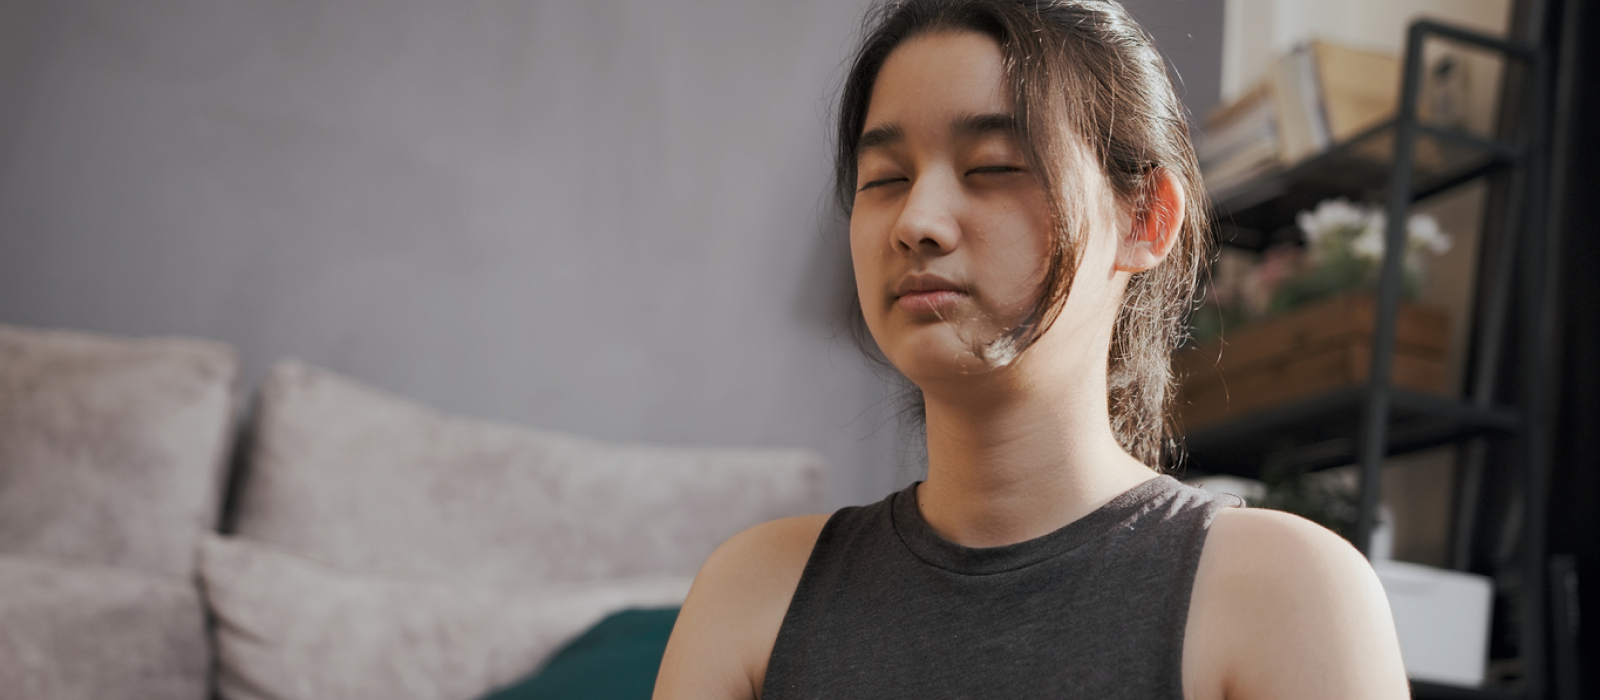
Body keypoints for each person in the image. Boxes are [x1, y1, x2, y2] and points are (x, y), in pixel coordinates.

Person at [655, 1, 1409, 698]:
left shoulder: (1289, 595)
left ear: (1145, 217)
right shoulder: (753, 596)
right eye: (883, 178)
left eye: (992, 168)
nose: (916, 221)